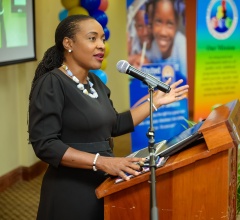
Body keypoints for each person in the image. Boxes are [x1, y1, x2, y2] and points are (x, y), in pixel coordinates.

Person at [28, 14, 189, 220]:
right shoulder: (52, 83)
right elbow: (45, 144)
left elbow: (114, 125)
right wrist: (101, 162)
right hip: (70, 191)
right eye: (92, 38)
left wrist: (155, 102)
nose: (101, 45)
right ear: (68, 43)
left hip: (104, 182)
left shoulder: (95, 83)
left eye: (103, 39)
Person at [150, 0, 187, 79]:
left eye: (170, 23)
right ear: (151, 21)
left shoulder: (182, 47)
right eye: (158, 22)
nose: (163, 32)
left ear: (176, 24)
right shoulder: (154, 46)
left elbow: (187, 84)